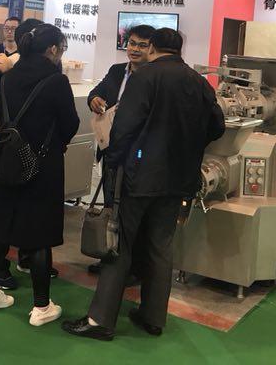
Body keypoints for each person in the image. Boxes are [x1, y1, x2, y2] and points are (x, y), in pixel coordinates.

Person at [63, 28, 225, 341]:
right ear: (179, 50)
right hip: (180, 179)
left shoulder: (145, 77)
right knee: (161, 247)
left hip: (138, 176)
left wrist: (114, 162)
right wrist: (189, 147)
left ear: (152, 48)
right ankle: (153, 317)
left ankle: (100, 321)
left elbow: (124, 127)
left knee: (119, 244)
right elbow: (217, 126)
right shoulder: (199, 82)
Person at [0, 24, 79, 327]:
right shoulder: (57, 81)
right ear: (52, 49)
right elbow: (70, 124)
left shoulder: (8, 77)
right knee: (39, 235)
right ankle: (41, 306)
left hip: (6, 160)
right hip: (41, 165)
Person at [86, 24, 154, 276]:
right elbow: (97, 92)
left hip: (139, 155)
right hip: (112, 151)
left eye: (142, 45)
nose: (135, 49)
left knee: (132, 212)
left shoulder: (153, 76)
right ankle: (109, 255)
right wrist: (93, 99)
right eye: (132, 43)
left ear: (152, 49)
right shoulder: (117, 71)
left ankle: (133, 266)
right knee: (110, 207)